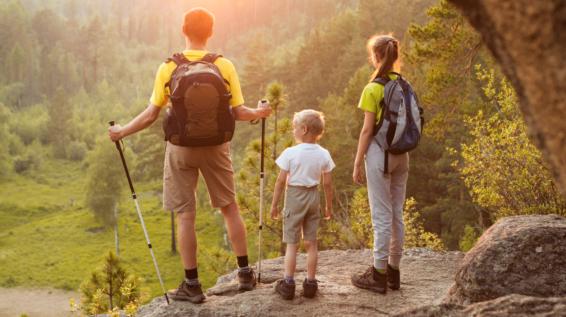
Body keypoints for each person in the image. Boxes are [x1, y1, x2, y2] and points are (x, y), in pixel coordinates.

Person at [108, 7, 272, 303]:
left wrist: (121, 132)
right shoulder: (224, 66)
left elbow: (150, 116)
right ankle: (245, 273)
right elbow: (239, 113)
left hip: (181, 149)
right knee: (229, 207)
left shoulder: (168, 67)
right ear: (210, 32)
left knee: (186, 216)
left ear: (184, 31)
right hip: (216, 147)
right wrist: (260, 113)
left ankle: (192, 285)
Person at [350, 34, 408, 294]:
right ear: (395, 56)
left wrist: (357, 162)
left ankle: (378, 275)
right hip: (402, 156)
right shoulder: (404, 85)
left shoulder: (373, 88)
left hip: (379, 156)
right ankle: (394, 272)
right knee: (397, 213)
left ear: (375, 57)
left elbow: (366, 131)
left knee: (381, 216)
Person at [270, 109, 335, 300]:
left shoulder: (290, 153)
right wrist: (328, 206)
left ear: (304, 129)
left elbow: (281, 182)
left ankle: (288, 283)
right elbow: (328, 183)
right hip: (313, 196)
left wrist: (274, 205)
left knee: (292, 243)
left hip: (294, 196)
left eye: (295, 127)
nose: (293, 130)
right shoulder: (323, 153)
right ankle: (310, 283)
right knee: (311, 242)